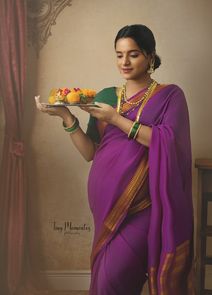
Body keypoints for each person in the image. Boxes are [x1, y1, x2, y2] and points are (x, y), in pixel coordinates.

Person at [35, 24, 195, 295]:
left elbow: (168, 144)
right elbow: (90, 153)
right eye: (119, 55)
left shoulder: (170, 96)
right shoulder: (106, 96)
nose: (125, 62)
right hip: (106, 210)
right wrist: (66, 117)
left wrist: (115, 119)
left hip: (144, 208)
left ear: (150, 56)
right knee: (106, 283)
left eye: (133, 54)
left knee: (112, 281)